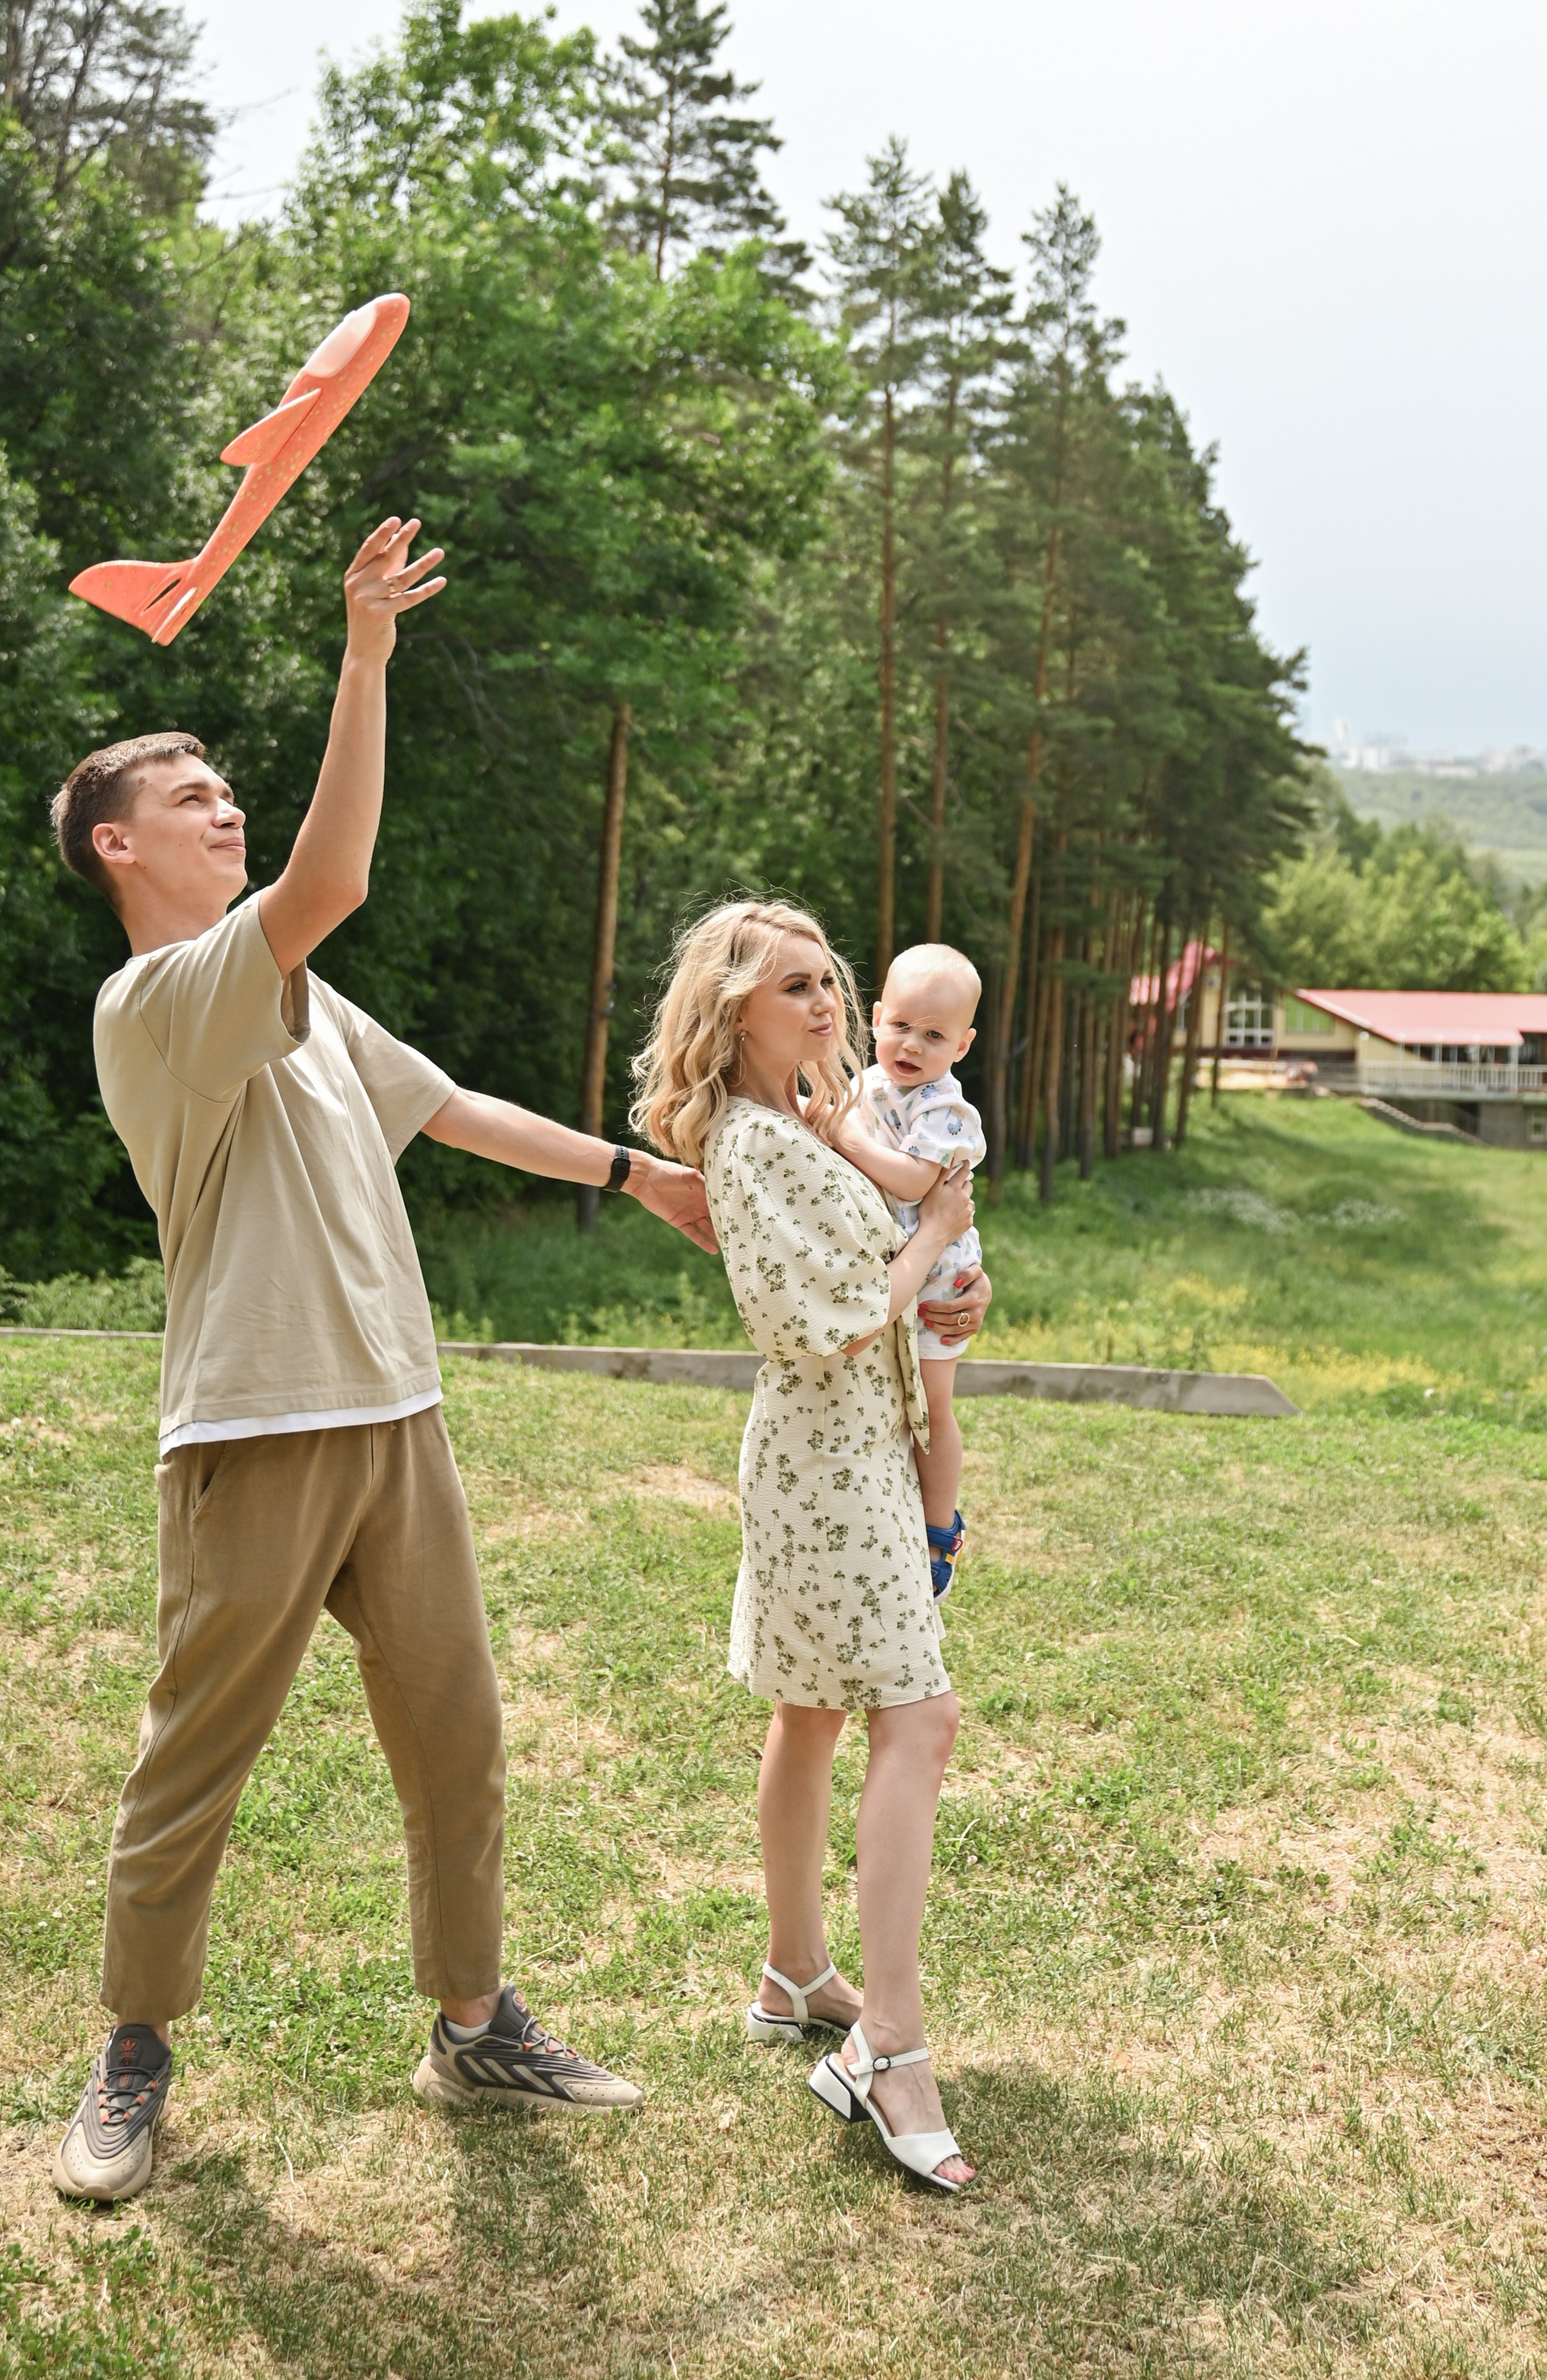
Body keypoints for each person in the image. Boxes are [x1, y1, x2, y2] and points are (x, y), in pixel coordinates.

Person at [46, 516, 715, 2204]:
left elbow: (453, 1108)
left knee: (456, 1735)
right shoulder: (160, 1005)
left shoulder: (302, 1002)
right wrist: (363, 652)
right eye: (187, 794)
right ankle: (133, 2051)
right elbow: (328, 880)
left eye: (225, 787)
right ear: (118, 845)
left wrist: (646, 1182)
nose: (224, 804)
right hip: (254, 1433)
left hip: (394, 1422)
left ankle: (472, 2023)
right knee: (193, 1760)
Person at [631, 899, 986, 2194]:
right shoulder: (748, 1140)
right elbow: (827, 1320)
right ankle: (888, 2044)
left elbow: (880, 1289)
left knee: (815, 1714)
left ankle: (795, 1972)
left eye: (830, 981)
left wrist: (948, 1289)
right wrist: (932, 1246)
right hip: (825, 1462)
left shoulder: (814, 1119)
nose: (828, 1005)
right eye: (796, 988)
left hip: (861, 1448)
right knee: (920, 1716)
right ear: (733, 1010)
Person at [831, 943, 986, 1603]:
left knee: (930, 1405)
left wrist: (844, 1135)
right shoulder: (864, 1086)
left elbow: (915, 1180)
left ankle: (937, 1529)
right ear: (874, 1017)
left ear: (963, 1045)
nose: (912, 1045)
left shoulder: (945, 1109)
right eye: (900, 1025)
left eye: (934, 1035)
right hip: (894, 1265)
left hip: (938, 1277)